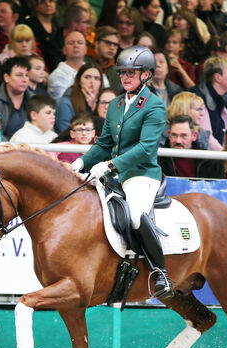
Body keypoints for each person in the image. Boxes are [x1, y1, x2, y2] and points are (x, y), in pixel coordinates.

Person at [70, 46, 171, 298]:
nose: (125, 77)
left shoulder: (154, 107)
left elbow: (146, 148)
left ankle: (160, 272)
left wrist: (111, 165)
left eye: (131, 73)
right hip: (114, 174)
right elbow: (104, 143)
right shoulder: (115, 104)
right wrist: (80, 163)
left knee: (136, 216)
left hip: (141, 174)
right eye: (123, 72)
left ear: (146, 75)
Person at [189, 56, 227, 145]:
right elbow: (207, 138)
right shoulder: (197, 98)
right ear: (217, 77)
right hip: (207, 156)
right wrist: (225, 156)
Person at [55, 62, 102, 133]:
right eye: (87, 77)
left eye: (97, 78)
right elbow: (64, 134)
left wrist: (95, 110)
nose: (92, 82)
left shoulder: (105, 102)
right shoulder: (65, 103)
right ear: (79, 81)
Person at [0, 56, 30, 140]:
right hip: (5, 149)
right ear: (6, 77)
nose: (25, 80)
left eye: (27, 75)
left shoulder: (35, 100)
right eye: (19, 75)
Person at [47, 31, 88, 101]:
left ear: (86, 49)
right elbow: (66, 104)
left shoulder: (95, 71)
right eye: (71, 43)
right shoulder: (56, 76)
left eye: (80, 43)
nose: (76, 46)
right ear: (64, 50)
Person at [88, 26, 122, 93]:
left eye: (115, 45)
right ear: (97, 43)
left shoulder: (116, 71)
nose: (112, 47)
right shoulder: (83, 62)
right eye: (108, 43)